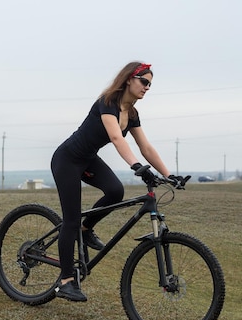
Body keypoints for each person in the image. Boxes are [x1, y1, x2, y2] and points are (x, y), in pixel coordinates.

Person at [50, 61, 177, 302]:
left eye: (150, 84)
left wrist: (169, 175)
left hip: (87, 159)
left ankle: (86, 231)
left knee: (115, 191)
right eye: (144, 81)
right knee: (71, 219)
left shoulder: (132, 113)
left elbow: (145, 146)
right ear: (129, 79)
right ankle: (65, 281)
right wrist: (137, 166)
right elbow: (117, 138)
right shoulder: (107, 103)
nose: (147, 87)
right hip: (67, 159)